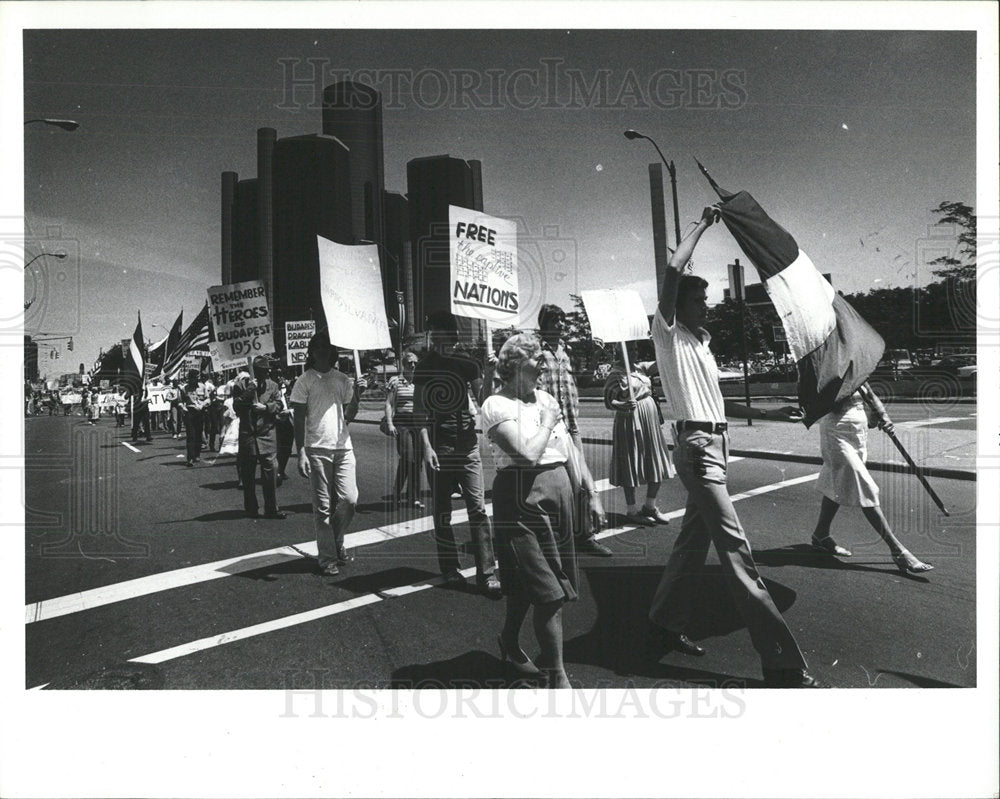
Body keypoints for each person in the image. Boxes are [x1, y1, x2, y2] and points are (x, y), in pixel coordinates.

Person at [645, 205, 821, 688]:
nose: (706, 307)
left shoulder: (700, 343)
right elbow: (673, 269)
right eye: (698, 301)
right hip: (699, 447)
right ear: (676, 306)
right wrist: (703, 224)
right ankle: (781, 661)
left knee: (690, 545)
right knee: (737, 552)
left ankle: (662, 623)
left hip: (715, 440)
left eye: (706, 301)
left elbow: (717, 401)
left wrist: (771, 412)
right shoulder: (667, 335)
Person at [481, 333, 606, 688]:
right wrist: (549, 421)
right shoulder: (496, 405)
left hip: (559, 495)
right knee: (548, 593)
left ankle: (508, 640)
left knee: (529, 586)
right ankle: (557, 676)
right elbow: (525, 455)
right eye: (539, 361)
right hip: (521, 500)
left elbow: (569, 450)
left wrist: (590, 493)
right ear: (518, 363)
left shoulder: (546, 399)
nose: (544, 368)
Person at [413, 311, 500, 597]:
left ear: (452, 336)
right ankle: (450, 567)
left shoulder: (467, 363)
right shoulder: (424, 366)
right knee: (442, 513)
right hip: (438, 446)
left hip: (467, 447)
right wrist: (426, 447)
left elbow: (485, 403)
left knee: (477, 509)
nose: (436, 339)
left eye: (441, 333)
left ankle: (487, 574)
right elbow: (419, 412)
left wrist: (488, 374)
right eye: (432, 334)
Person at [810, 384, 933, 576]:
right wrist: (846, 385)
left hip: (858, 434)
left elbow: (871, 394)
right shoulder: (825, 372)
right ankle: (898, 550)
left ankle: (820, 534)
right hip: (836, 432)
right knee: (864, 487)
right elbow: (824, 405)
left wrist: (882, 416)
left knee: (836, 482)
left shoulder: (855, 366)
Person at [536, 304, 613, 557]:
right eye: (555, 321)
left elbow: (584, 380)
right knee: (553, 481)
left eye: (562, 321)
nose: (560, 325)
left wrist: (594, 356)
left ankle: (586, 535)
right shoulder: (536, 351)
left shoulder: (567, 351)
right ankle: (555, 535)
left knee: (580, 479)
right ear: (544, 324)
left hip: (570, 424)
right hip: (546, 425)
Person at [290, 331, 367, 577]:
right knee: (322, 508)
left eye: (327, 347)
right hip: (317, 449)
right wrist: (301, 451)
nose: (323, 351)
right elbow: (299, 418)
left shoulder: (343, 379)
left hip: (343, 448)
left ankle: (335, 541)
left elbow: (349, 416)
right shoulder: (304, 381)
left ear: (333, 352)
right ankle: (327, 558)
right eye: (318, 347)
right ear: (312, 352)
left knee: (349, 500)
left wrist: (359, 395)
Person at [603, 351, 675, 525]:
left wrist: (654, 345)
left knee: (655, 457)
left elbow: (663, 360)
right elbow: (608, 401)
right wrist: (622, 404)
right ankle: (632, 509)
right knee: (631, 459)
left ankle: (650, 506)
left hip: (649, 418)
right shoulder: (616, 374)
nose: (635, 350)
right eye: (630, 347)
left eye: (636, 346)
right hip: (628, 419)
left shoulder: (641, 368)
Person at [233, 357, 286, 519]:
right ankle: (251, 508)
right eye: (260, 372)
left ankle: (271, 509)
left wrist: (266, 408)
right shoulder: (240, 386)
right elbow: (236, 407)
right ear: (252, 372)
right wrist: (249, 391)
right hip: (248, 436)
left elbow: (279, 404)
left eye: (266, 372)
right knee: (248, 476)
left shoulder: (273, 386)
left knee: (270, 476)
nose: (264, 375)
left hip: (267, 435)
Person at [383, 351, 423, 509]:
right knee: (408, 457)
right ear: (403, 365)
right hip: (402, 422)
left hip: (418, 423)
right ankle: (396, 492)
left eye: (414, 363)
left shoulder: (419, 382)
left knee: (417, 461)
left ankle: (414, 497)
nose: (412, 366)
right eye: (409, 363)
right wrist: (390, 423)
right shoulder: (395, 381)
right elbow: (389, 404)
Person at [180, 370, 209, 467]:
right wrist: (183, 408)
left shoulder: (202, 387)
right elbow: (181, 401)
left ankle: (197, 454)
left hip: (200, 412)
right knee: (190, 435)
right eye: (196, 377)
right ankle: (190, 458)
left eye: (198, 377)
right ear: (191, 378)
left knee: (198, 434)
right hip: (190, 412)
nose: (198, 379)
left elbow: (207, 398)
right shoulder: (185, 388)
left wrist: (204, 404)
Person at [275, 374, 295, 484]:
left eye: (285, 379)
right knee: (277, 447)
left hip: (289, 421)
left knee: (287, 448)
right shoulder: (273, 390)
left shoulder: (293, 391)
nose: (282, 379)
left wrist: (290, 411)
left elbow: (299, 406)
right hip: (276, 421)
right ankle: (276, 471)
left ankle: (281, 469)